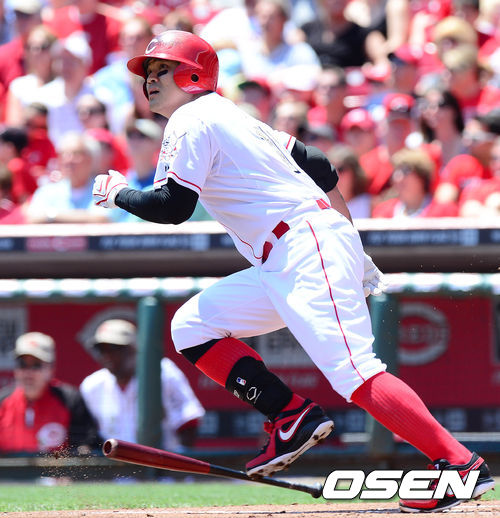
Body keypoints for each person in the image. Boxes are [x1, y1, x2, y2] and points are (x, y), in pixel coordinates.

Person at [92, 30, 494, 513]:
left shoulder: (192, 116)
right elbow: (320, 165)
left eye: (162, 69)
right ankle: (289, 416)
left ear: (193, 75)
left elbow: (172, 206)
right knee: (192, 325)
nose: (150, 81)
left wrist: (117, 193)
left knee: (354, 373)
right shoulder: (235, 118)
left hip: (300, 243)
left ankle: (459, 464)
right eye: (147, 73)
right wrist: (346, 237)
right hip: (289, 251)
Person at [80, 319, 205, 451]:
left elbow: (188, 420)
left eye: (114, 348)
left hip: (160, 460)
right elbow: (89, 434)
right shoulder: (92, 385)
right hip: (114, 462)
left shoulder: (162, 371)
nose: (107, 355)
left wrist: (180, 458)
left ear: (134, 349)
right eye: (101, 349)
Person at [0, 332, 100, 454]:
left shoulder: (70, 400)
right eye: (22, 364)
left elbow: (85, 448)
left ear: (51, 369)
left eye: (36, 365)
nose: (28, 373)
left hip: (58, 467)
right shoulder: (2, 402)